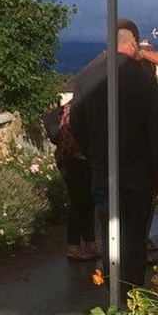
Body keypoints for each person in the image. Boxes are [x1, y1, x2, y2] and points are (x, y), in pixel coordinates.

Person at [70, 18, 158, 299]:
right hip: (139, 170)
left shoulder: (87, 77)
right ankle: (133, 293)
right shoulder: (144, 80)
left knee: (109, 227)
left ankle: (113, 290)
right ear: (134, 42)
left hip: (103, 167)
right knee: (135, 235)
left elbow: (76, 125)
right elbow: (155, 133)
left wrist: (94, 154)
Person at [51, 99, 97, 261]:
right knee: (78, 203)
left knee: (89, 202)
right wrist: (85, 152)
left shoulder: (78, 107)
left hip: (79, 161)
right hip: (74, 162)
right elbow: (68, 138)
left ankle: (90, 243)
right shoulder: (74, 110)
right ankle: (73, 247)